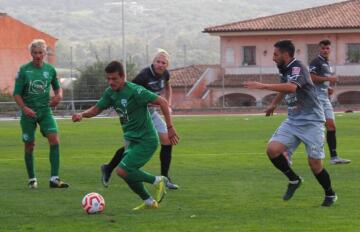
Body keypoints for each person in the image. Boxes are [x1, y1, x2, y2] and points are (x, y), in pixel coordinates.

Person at [72, 61, 179, 210]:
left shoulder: (135, 91)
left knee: (122, 170)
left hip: (146, 140)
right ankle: (149, 201)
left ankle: (158, 180)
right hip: (131, 140)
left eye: (114, 79)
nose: (111, 82)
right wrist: (82, 115)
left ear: (123, 77)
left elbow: (162, 101)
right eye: (108, 79)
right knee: (127, 173)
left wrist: (170, 127)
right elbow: (96, 109)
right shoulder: (110, 93)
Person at [243, 40, 337, 206]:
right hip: (294, 120)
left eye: (275, 54)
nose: (273, 58)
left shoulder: (297, 66)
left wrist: (261, 86)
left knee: (315, 164)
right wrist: (274, 103)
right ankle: (294, 180)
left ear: (285, 54)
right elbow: (284, 86)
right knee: (272, 150)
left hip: (312, 122)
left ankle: (330, 194)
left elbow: (292, 87)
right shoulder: (285, 69)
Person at [100, 49, 179, 189]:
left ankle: (165, 178)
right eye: (158, 61)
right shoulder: (143, 76)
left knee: (167, 140)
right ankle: (108, 167)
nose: (160, 65)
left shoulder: (165, 74)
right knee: (130, 148)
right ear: (153, 62)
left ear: (167, 65)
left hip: (152, 113)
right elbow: (132, 97)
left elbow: (168, 86)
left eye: (163, 63)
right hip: (138, 114)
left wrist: (168, 101)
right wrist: (160, 103)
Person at [13, 39, 69, 189]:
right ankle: (32, 179)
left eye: (40, 52)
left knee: (55, 140)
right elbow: (16, 94)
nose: (38, 55)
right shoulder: (24, 70)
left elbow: (58, 89)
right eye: (35, 52)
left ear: (45, 53)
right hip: (28, 113)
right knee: (30, 145)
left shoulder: (50, 70)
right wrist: (24, 108)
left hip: (45, 111)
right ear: (31, 53)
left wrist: (59, 96)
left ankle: (54, 179)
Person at [309, 39, 350, 164]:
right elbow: (311, 78)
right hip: (317, 98)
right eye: (323, 48)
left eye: (327, 48)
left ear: (330, 49)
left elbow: (322, 81)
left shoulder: (328, 63)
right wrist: (329, 78)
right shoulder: (316, 61)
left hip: (325, 97)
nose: (325, 50)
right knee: (317, 127)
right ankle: (313, 153)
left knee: (331, 126)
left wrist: (328, 87)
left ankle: (334, 157)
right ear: (319, 49)